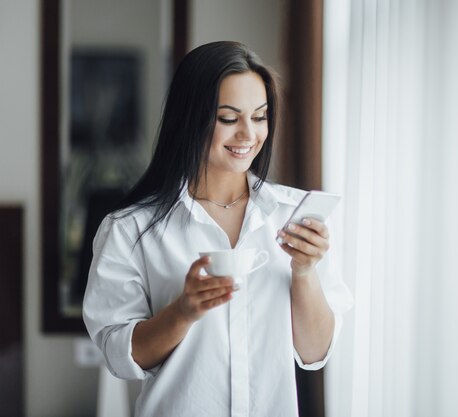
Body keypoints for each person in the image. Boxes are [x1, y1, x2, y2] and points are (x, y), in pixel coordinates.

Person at [82, 41, 353, 417]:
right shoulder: (130, 230)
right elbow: (119, 357)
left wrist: (304, 272)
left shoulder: (294, 216)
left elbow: (315, 352)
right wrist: (183, 311)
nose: (248, 135)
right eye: (228, 118)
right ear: (190, 118)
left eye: (259, 117)